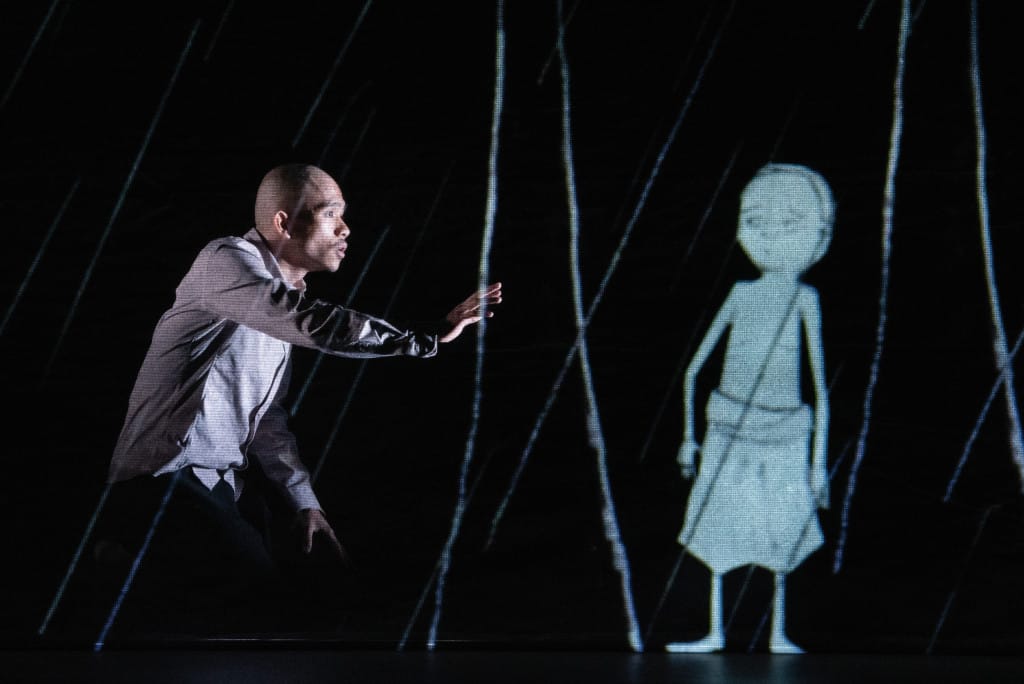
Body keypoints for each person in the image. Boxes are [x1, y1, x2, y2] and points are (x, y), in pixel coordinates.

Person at [93, 163, 502, 637]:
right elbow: (309, 321)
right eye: (330, 214)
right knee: (261, 607)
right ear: (283, 223)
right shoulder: (225, 260)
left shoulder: (279, 307)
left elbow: (267, 423)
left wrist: (304, 503)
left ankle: (137, 570)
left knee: (327, 594)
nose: (345, 229)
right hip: (161, 480)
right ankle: (126, 561)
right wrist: (424, 336)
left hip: (219, 488)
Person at [667, 163, 832, 654]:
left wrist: (818, 464)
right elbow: (694, 370)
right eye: (757, 220)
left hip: (785, 432)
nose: (771, 234)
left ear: (820, 235)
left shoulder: (804, 299)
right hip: (728, 428)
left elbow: (819, 388)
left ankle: (777, 632)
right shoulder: (742, 295)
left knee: (780, 530)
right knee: (719, 529)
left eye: (791, 223)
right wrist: (688, 437)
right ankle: (716, 630)